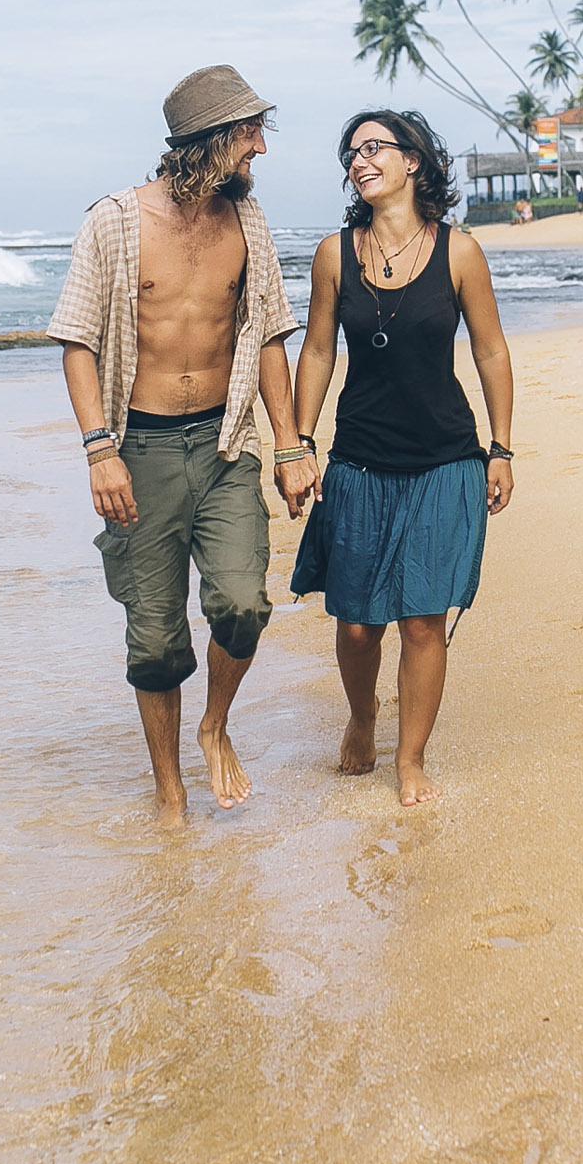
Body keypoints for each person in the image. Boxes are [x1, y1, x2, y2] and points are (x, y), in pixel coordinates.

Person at [49, 66, 318, 828]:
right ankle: (170, 792)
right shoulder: (114, 222)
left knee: (243, 604)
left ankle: (215, 726)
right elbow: (76, 340)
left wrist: (290, 446)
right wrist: (99, 450)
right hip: (139, 449)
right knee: (156, 635)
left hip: (226, 443)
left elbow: (269, 334)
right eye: (250, 133)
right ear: (209, 139)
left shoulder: (248, 221)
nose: (260, 148)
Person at [292, 109, 514, 806]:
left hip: (445, 458)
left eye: (372, 148)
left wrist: (501, 447)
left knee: (422, 619)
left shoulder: (460, 252)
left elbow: (490, 350)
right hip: (359, 457)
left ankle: (410, 758)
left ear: (412, 160)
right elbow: (318, 350)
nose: (358, 161)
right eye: (350, 153)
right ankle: (362, 717)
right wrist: (300, 443)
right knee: (358, 624)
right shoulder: (335, 254)